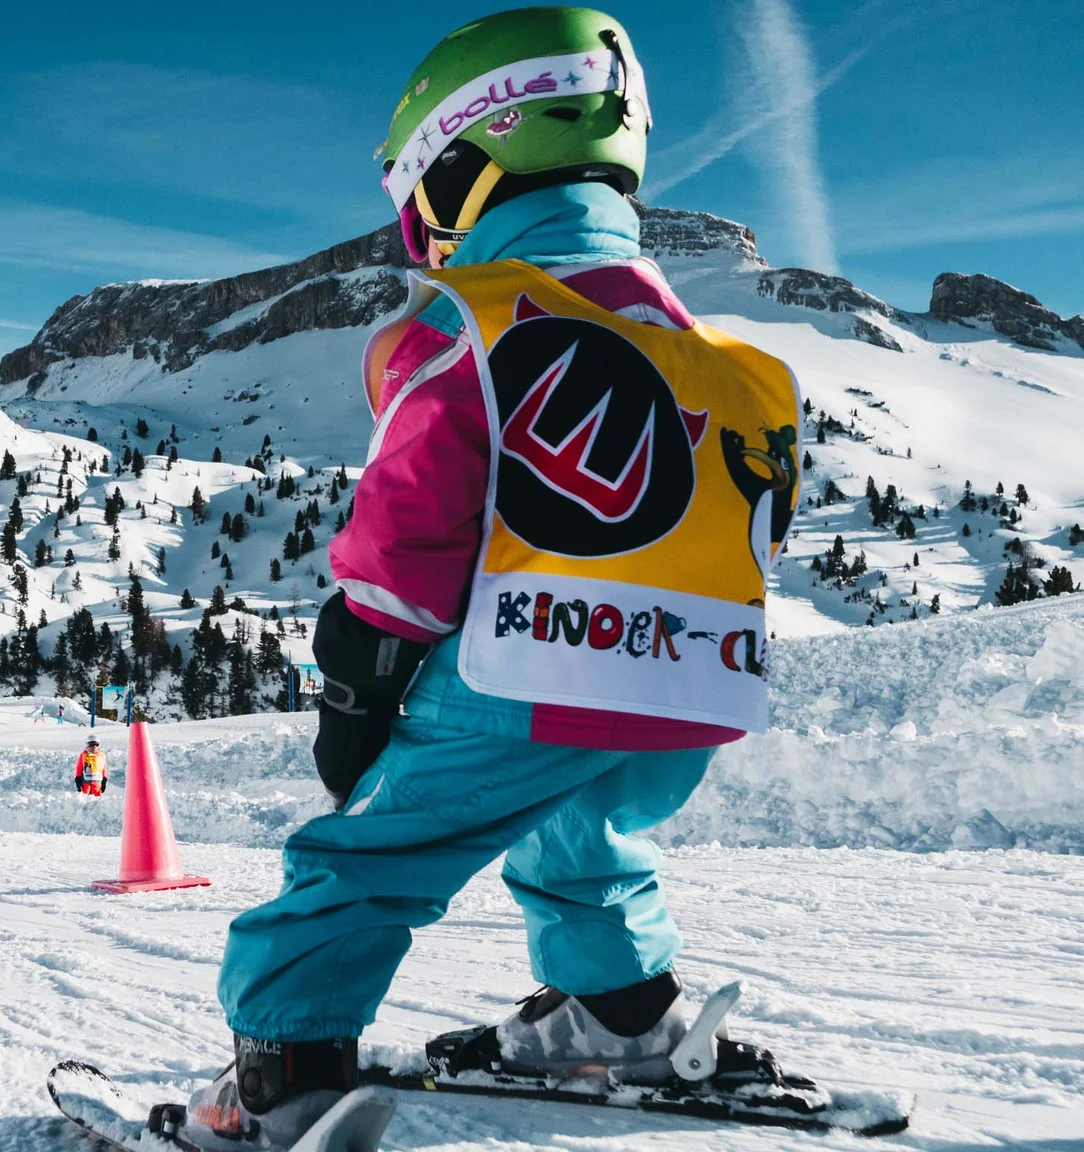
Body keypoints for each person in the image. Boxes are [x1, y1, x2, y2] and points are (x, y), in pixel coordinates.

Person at [177, 9, 803, 1149]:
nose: (413, 229)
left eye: (418, 196)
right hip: (689, 686)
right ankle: (621, 1015)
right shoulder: (728, 360)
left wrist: (363, 673)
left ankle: (289, 1062)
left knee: (367, 857)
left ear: (472, 162)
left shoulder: (477, 321)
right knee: (580, 833)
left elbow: (411, 536)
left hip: (530, 662)